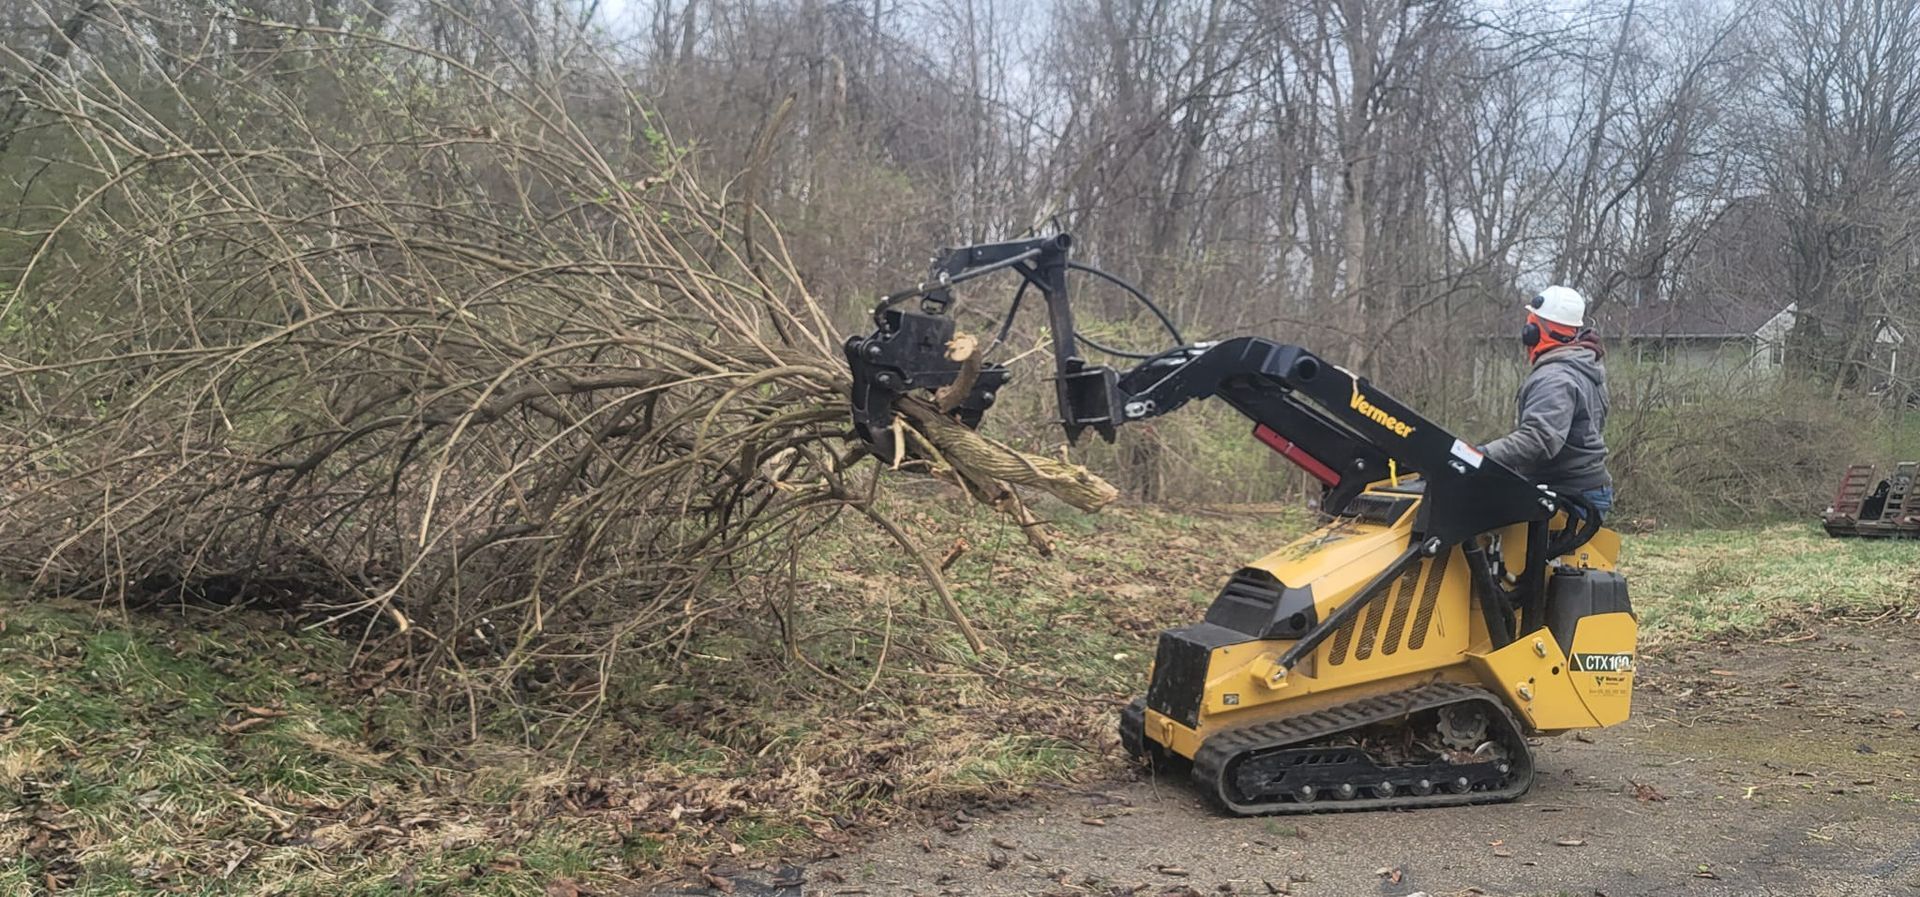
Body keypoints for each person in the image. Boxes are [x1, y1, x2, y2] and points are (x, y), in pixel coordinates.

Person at [1482, 285, 1613, 517]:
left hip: (1569, 494)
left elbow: (1539, 439)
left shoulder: (1555, 378)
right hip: (1586, 488)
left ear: (1533, 331)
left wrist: (1482, 455)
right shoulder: (1584, 366)